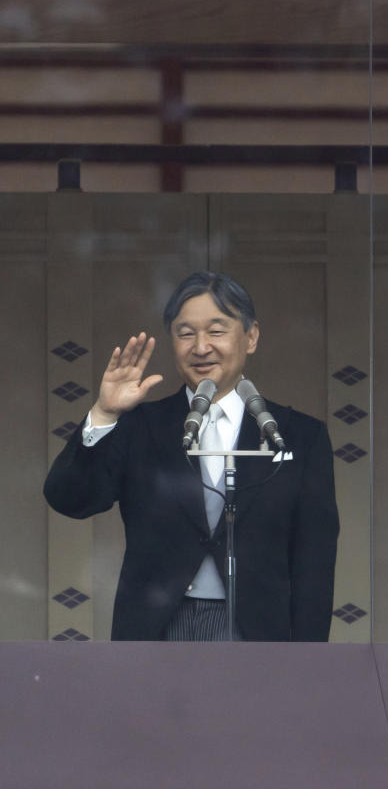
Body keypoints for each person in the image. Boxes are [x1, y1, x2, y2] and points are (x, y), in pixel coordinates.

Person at [44, 272, 339, 641]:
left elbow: (315, 560)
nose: (201, 347)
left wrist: (309, 658)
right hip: (157, 629)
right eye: (186, 333)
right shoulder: (141, 427)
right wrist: (104, 414)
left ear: (251, 337)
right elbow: (70, 500)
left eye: (216, 331)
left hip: (259, 631)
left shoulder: (298, 435)